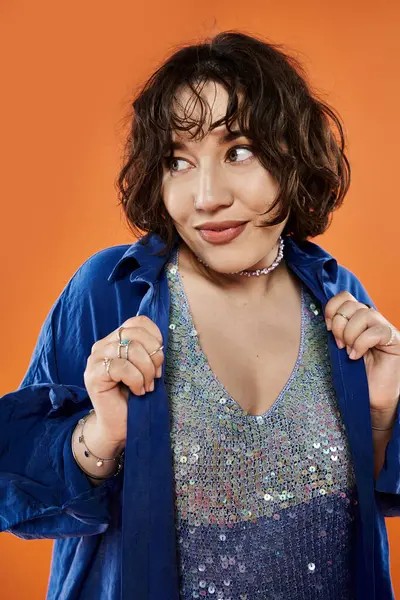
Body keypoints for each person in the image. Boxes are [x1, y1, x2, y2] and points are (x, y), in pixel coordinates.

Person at [0, 30, 399, 600]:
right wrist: (101, 434)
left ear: (294, 155)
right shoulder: (111, 292)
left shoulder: (338, 297)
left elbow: (359, 510)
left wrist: (380, 413)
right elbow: (17, 489)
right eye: (177, 161)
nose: (206, 196)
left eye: (239, 151)